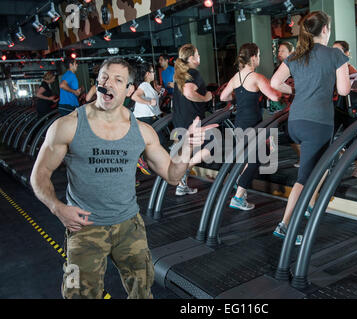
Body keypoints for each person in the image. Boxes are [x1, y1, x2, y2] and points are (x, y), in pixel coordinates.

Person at [29, 57, 217, 299]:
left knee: (142, 292)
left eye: (118, 80)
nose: (109, 83)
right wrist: (57, 208)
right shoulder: (68, 125)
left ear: (129, 90)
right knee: (79, 295)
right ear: (97, 82)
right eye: (104, 77)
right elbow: (40, 173)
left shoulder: (142, 132)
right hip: (84, 227)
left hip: (129, 226)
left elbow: (172, 175)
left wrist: (188, 146)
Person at [271, 11, 350, 244]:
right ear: (325, 29)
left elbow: (276, 83)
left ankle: (309, 202)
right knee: (304, 178)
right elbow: (344, 90)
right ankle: (285, 225)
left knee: (323, 163)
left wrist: (295, 90)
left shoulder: (297, 55)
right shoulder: (335, 55)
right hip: (318, 124)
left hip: (295, 122)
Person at [220, 43, 281, 211]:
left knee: (248, 158)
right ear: (253, 57)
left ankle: (240, 185)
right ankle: (238, 195)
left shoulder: (236, 77)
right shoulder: (256, 77)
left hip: (239, 123)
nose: (259, 59)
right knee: (259, 157)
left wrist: (237, 97)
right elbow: (274, 96)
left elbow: (223, 97)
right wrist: (285, 90)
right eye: (259, 55)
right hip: (253, 125)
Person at [172, 44, 213, 196]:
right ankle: (184, 169)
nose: (199, 57)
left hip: (180, 119)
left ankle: (182, 185)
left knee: (186, 153)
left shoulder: (181, 75)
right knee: (210, 148)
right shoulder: (193, 73)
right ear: (191, 58)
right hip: (192, 122)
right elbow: (189, 92)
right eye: (198, 54)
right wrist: (205, 98)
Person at [332, 40, 357, 178]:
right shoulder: (331, 68)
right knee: (327, 135)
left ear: (346, 54)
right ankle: (340, 155)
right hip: (334, 107)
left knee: (351, 137)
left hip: (349, 108)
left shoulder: (351, 70)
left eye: (338, 51)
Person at [273, 42, 301, 168]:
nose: (279, 53)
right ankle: (302, 158)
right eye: (278, 51)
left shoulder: (297, 67)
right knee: (289, 133)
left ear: (291, 52)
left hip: (299, 106)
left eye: (282, 51)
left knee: (294, 133)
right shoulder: (278, 69)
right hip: (286, 107)